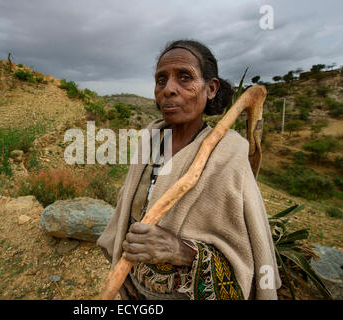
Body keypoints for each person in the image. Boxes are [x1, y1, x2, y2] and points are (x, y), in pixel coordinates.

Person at [97, 39, 281, 300]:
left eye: (185, 78)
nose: (169, 89)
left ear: (211, 88)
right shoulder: (150, 140)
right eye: (162, 80)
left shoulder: (230, 155)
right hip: (134, 290)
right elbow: (126, 214)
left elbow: (247, 256)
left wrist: (181, 250)